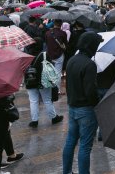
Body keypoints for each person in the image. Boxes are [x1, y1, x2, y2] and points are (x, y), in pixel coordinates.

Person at [62, 31, 102, 174]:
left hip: (72, 107)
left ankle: (66, 171)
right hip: (86, 110)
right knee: (85, 146)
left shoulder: (72, 60)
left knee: (70, 141)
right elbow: (90, 91)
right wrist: (97, 103)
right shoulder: (89, 64)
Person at [25, 39, 64, 128]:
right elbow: (50, 66)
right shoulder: (44, 54)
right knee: (47, 100)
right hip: (43, 81)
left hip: (30, 80)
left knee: (33, 101)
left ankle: (34, 121)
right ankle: (54, 118)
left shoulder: (26, 55)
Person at [45, 19, 68, 91]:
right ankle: (57, 90)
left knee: (50, 71)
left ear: (53, 24)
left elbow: (46, 43)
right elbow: (66, 43)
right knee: (58, 72)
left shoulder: (47, 33)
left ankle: (50, 88)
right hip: (59, 54)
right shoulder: (63, 33)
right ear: (61, 25)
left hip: (49, 54)